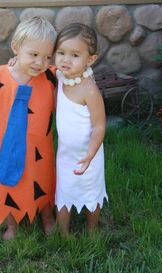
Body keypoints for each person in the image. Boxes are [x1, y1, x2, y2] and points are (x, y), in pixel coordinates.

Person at [0, 17, 57, 240]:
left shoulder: (49, 76)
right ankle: (10, 224)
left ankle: (46, 216)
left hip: (39, 150)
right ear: (16, 48)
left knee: (42, 179)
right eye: (33, 55)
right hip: (5, 145)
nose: (39, 62)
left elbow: (71, 70)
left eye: (46, 57)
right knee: (6, 181)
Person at [54, 23, 108, 234]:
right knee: (64, 190)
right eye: (61, 53)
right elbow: (34, 66)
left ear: (90, 59)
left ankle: (93, 229)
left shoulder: (89, 89)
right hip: (65, 154)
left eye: (74, 55)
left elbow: (99, 125)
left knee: (90, 191)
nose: (66, 60)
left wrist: (91, 154)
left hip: (89, 154)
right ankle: (63, 232)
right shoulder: (60, 77)